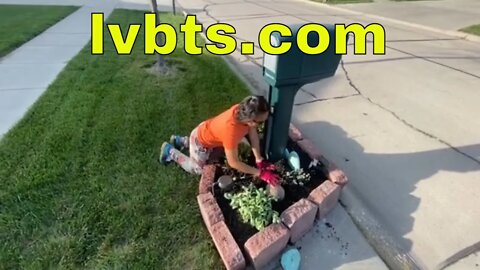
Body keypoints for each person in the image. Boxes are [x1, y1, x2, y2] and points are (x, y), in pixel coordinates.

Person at [159, 95, 280, 186]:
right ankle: (170, 151)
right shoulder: (230, 131)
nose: (262, 124)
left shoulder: (244, 110)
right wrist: (260, 173)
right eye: (261, 122)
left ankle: (180, 141)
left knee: (241, 144)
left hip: (207, 131)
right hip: (200, 142)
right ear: (250, 120)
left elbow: (253, 135)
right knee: (198, 169)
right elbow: (234, 163)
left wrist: (259, 159)